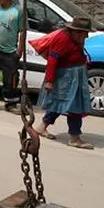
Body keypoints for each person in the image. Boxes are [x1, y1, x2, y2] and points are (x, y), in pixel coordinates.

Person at [34, 17, 95, 149]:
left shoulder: (76, 39)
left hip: (74, 74)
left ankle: (41, 127)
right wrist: (49, 81)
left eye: (84, 33)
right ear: (72, 30)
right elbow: (52, 60)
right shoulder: (62, 39)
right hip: (66, 77)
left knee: (59, 103)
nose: (83, 36)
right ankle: (75, 137)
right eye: (79, 33)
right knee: (75, 107)